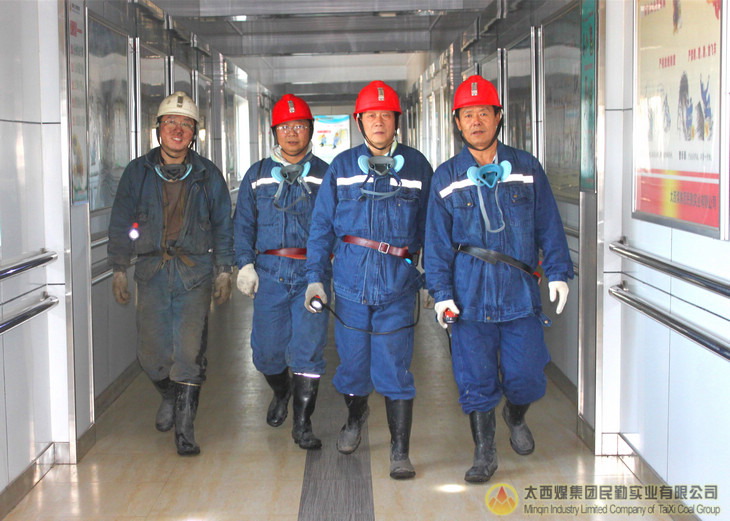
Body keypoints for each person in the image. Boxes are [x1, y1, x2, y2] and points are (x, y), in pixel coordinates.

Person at [424, 76, 573, 483]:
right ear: (457, 122)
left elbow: (548, 225)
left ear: (498, 117)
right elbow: (436, 243)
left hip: (519, 294)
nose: (476, 122)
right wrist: (441, 293)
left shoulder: (526, 168)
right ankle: (484, 452)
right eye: (468, 115)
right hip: (469, 297)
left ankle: (516, 414)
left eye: (483, 113)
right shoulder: (446, 177)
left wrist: (558, 271)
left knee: (527, 376)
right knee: (475, 380)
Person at [305, 81, 433, 479]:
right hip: (350, 287)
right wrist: (315, 278)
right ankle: (355, 417)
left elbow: (433, 228)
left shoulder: (417, 167)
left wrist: (434, 281)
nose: (379, 122)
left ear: (397, 121)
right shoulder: (342, 168)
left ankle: (399, 451)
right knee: (354, 367)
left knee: (394, 368)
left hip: (398, 286)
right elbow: (321, 227)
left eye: (386, 116)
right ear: (359, 122)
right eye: (371, 116)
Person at [108, 91, 234, 456]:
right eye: (171, 122)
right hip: (151, 272)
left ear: (194, 133)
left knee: (189, 353)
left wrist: (224, 270)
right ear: (158, 129)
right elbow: (121, 222)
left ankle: (185, 430)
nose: (178, 130)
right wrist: (119, 268)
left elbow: (223, 225)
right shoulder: (138, 173)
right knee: (151, 355)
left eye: (186, 124)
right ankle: (170, 395)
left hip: (195, 273)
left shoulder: (208, 175)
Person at [234, 94, 330, 450]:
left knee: (308, 351)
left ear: (310, 130)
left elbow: (337, 224)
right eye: (285, 127)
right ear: (274, 131)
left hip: (311, 274)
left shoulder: (326, 175)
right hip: (270, 274)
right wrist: (244, 263)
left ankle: (302, 424)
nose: (292, 133)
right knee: (267, 353)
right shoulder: (257, 176)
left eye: (299, 126)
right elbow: (243, 223)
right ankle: (281, 391)